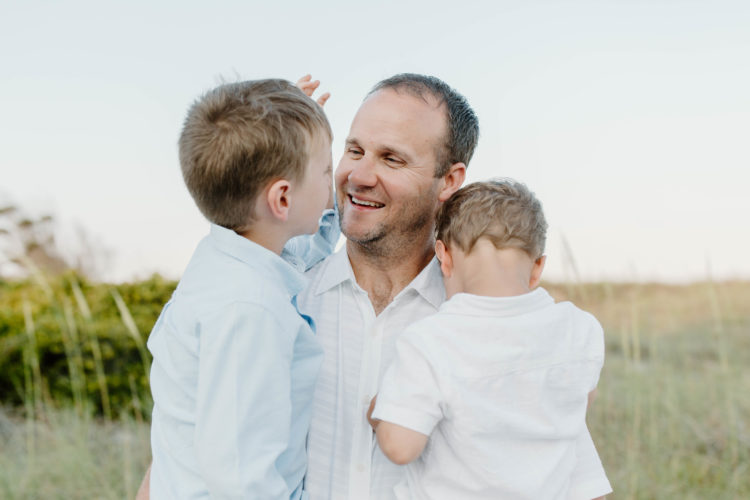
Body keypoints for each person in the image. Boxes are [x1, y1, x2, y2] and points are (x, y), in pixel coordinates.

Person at [298, 74, 612, 499]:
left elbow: (563, 478)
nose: (359, 175)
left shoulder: (510, 330)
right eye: (354, 150)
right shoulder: (283, 299)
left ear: (449, 180)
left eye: (391, 159)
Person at [146, 78, 337, 499]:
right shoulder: (249, 310)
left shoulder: (229, 257)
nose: (336, 180)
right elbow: (239, 477)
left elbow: (303, 246)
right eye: (327, 170)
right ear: (282, 199)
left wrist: (295, 132)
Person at [368, 179, 610, 499]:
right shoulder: (581, 328)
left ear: (444, 256)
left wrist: (383, 411)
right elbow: (580, 402)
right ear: (537, 267)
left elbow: (400, 447)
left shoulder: (431, 340)